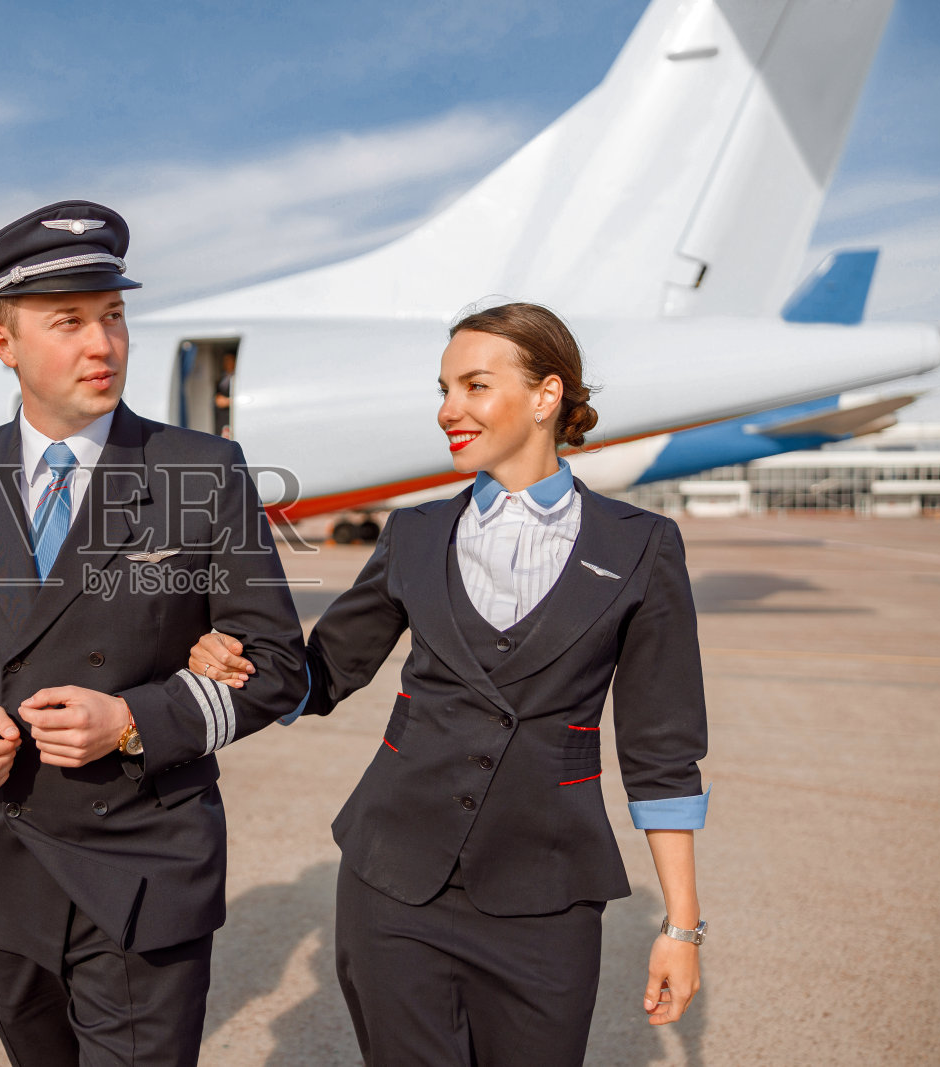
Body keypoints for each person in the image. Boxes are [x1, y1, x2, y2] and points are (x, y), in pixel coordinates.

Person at [188, 302, 709, 1066]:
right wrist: (234, 661)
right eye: (443, 388)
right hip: (392, 886)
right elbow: (323, 672)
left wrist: (681, 925)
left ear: (545, 394)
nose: (448, 410)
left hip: (547, 897)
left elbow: (661, 749)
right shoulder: (417, 532)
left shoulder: (642, 546)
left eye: (473, 385)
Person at [0, 200, 308, 1066]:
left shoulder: (200, 470)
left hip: (142, 857)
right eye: (69, 321)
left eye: (114, 316)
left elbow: (274, 665)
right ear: (5, 343)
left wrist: (131, 721)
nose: (103, 344)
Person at [213, 350, 236, 438]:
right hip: (221, 416)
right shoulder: (223, 377)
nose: (227, 363)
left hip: (229, 414)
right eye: (225, 361)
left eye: (229, 360)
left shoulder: (236, 377)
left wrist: (228, 401)